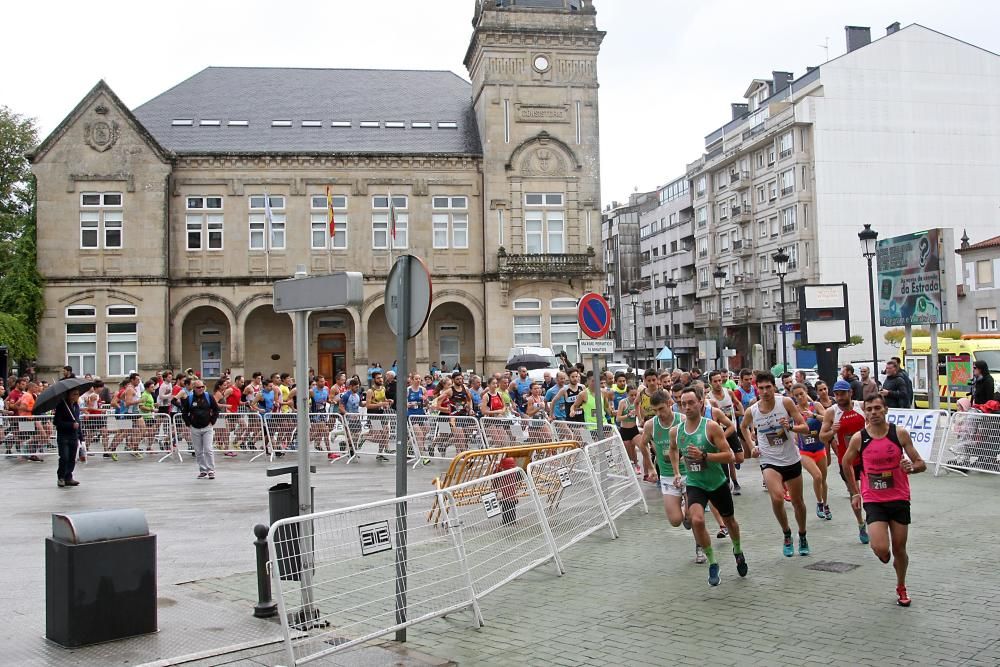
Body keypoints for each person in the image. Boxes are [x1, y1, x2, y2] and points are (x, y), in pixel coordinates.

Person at [840, 395, 926, 607]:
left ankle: (901, 585)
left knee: (899, 548)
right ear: (865, 412)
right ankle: (882, 553)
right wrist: (855, 492)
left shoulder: (899, 434)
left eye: (877, 408)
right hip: (873, 499)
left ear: (886, 410)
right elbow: (846, 463)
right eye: (869, 409)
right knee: (880, 548)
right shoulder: (859, 438)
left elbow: (920, 463)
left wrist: (912, 468)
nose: (873, 413)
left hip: (899, 498)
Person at [669, 385, 747, 586]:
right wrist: (677, 471)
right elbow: (673, 450)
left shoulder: (710, 426)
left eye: (690, 403)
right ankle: (713, 562)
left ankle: (737, 550)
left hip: (716, 482)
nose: (686, 407)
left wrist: (705, 456)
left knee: (730, 521)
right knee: (696, 520)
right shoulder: (676, 431)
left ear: (701, 403)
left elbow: (729, 455)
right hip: (695, 483)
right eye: (682, 404)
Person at [741, 371, 811, 557]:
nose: (764, 391)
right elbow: (743, 426)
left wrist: (790, 427)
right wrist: (752, 445)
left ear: (774, 387)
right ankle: (787, 533)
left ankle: (802, 534)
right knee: (777, 498)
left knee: (798, 502)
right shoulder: (753, 410)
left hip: (790, 459)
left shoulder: (785, 403)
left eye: (768, 387)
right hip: (769, 460)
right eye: (761, 388)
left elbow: (804, 427)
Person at [819, 379, 869, 544]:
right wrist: (832, 431)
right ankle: (861, 523)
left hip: (866, 457)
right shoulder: (831, 413)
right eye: (837, 394)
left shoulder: (861, 407)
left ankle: (873, 518)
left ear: (850, 393)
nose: (839, 397)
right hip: (846, 460)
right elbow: (822, 437)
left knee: (869, 491)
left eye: (842, 393)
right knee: (854, 493)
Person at [791, 383, 830, 521]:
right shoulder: (794, 410)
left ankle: (825, 505)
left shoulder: (816, 406)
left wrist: (813, 415)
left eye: (801, 394)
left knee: (823, 480)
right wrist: (794, 436)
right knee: (817, 476)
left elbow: (827, 419)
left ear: (806, 392)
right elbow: (791, 427)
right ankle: (819, 503)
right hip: (804, 451)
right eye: (796, 396)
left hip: (819, 448)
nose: (800, 397)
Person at [181, 379, 220, 479]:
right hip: (195, 428)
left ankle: (211, 470)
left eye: (203, 387)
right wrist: (188, 424)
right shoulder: (189, 398)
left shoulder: (208, 397)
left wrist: (212, 421)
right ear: (194, 388)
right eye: (198, 387)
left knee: (208, 449)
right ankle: (203, 470)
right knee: (198, 451)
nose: (201, 389)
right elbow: (184, 412)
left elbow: (216, 410)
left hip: (207, 427)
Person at [54, 388, 85, 487]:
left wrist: (81, 436)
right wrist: (70, 425)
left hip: (73, 436)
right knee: (64, 457)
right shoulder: (62, 406)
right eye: (74, 394)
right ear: (69, 395)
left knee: (72, 458)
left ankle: (68, 476)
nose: (76, 396)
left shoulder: (76, 406)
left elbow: (77, 422)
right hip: (63, 436)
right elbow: (57, 422)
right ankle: (61, 477)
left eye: (77, 394)